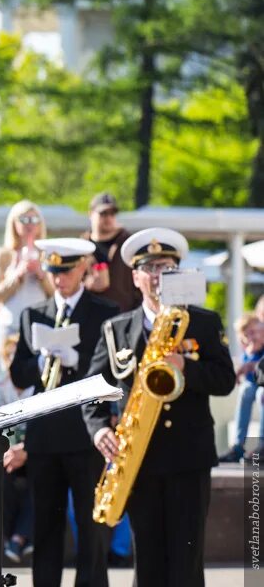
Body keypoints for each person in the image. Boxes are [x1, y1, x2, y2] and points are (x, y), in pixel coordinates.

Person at [85, 228, 235, 587]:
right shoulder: (116, 329)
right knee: (148, 561)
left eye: (166, 267)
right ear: (136, 278)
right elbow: (93, 390)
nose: (157, 277)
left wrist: (187, 367)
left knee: (187, 560)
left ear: (179, 273)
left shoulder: (204, 322)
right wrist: (99, 429)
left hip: (188, 458)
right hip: (140, 458)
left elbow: (225, 380)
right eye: (149, 269)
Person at [8, 237, 119, 587]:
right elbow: (18, 373)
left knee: (92, 529)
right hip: (45, 435)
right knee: (46, 529)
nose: (59, 279)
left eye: (67, 271)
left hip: (87, 434)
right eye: (54, 271)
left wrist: (78, 362)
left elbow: (113, 372)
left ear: (83, 268)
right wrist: (40, 360)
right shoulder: (34, 314)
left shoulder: (105, 314)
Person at [0, 334, 33, 564]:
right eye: (9, 355)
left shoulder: (39, 383)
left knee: (45, 475)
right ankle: (11, 537)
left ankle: (20, 537)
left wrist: (27, 449)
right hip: (3, 449)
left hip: (32, 449)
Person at [0, 200, 54, 356]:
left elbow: (55, 293)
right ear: (14, 223)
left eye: (34, 220)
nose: (29, 225)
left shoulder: (47, 253)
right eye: (23, 220)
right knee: (9, 376)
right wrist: (17, 275)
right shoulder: (4, 254)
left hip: (40, 325)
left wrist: (40, 274)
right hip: (10, 325)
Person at [82, 193, 141, 312]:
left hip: (123, 316)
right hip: (90, 318)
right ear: (90, 214)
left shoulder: (130, 243)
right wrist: (88, 285)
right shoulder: (81, 246)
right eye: (103, 213)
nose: (109, 218)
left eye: (112, 213)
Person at [219, 314, 264, 462]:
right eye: (247, 335)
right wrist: (250, 357)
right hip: (257, 385)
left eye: (253, 332)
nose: (252, 337)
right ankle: (238, 446)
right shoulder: (250, 351)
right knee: (246, 390)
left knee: (261, 394)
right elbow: (251, 378)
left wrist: (253, 366)